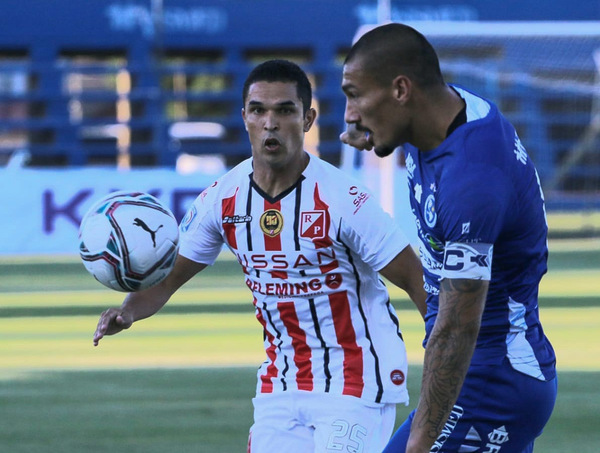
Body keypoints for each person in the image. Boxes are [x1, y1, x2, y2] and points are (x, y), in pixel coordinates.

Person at [93, 59, 427, 453]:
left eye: (285, 110)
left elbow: (416, 279)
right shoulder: (223, 197)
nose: (271, 122)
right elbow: (168, 277)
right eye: (259, 110)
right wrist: (128, 310)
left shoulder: (345, 200)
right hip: (280, 382)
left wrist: (455, 356)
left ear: (307, 119)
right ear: (245, 117)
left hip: (354, 380)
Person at [340, 23, 557, 453]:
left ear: (401, 90)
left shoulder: (472, 179)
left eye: (354, 94)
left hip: (491, 381)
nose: (348, 113)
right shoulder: (440, 118)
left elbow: (459, 326)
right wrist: (377, 131)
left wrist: (421, 442)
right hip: (491, 376)